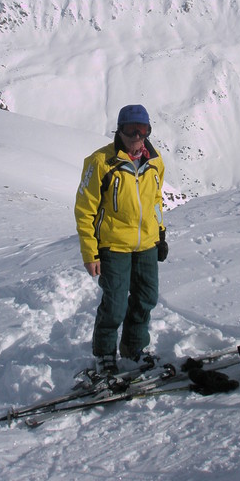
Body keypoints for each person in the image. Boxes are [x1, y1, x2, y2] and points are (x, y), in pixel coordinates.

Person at [74, 104, 167, 373]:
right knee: (114, 304)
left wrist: (160, 235)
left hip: (147, 244)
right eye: (131, 130)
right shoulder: (101, 163)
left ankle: (133, 347)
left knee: (146, 298)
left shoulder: (155, 163)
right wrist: (90, 253)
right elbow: (85, 209)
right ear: (120, 131)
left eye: (143, 130)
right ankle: (104, 352)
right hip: (113, 245)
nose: (137, 137)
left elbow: (156, 202)